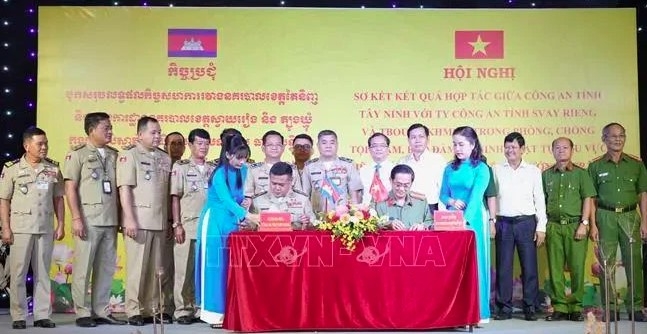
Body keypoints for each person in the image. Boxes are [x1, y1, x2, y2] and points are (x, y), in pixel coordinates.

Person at [63, 112, 126, 327]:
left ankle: (101, 309)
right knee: (83, 268)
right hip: (88, 220)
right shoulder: (77, 155)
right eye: (105, 128)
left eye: (110, 127)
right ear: (91, 130)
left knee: (106, 268)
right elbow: (70, 188)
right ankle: (82, 312)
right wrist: (76, 218)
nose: (110, 131)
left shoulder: (114, 155)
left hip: (110, 219)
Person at [0, 127, 65, 329]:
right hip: (20, 228)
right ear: (27, 146)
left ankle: (42, 315)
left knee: (43, 273)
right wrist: (6, 228)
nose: (44, 147)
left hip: (44, 228)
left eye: (46, 143)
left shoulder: (53, 168)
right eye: (40, 144)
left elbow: (58, 199)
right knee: (18, 274)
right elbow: (4, 200)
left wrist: (61, 223)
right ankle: (19, 316)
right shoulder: (11, 168)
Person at [195, 134, 260, 327]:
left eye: (245, 157)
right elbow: (226, 200)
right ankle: (214, 314)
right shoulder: (219, 174)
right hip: (214, 222)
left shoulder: (246, 170)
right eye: (238, 157)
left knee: (231, 268)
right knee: (214, 267)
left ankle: (232, 310)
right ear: (228, 154)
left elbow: (243, 196)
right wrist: (249, 217)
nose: (242, 161)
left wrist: (247, 209)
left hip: (233, 222)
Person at [587, 122, 647, 322]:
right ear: (604, 139)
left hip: (630, 216)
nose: (617, 139)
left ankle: (635, 306)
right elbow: (592, 199)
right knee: (607, 263)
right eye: (612, 136)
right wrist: (593, 225)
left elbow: (643, 195)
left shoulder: (636, 164)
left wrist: (645, 222)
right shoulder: (595, 166)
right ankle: (610, 307)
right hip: (606, 216)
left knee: (633, 262)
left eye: (621, 135)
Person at [117, 117, 172, 326]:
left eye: (159, 132)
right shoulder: (129, 155)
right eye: (152, 132)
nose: (157, 136)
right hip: (138, 221)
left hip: (159, 221)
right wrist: (129, 219)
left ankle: (151, 309)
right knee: (137, 269)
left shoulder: (164, 158)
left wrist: (168, 220)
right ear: (139, 134)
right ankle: (133, 310)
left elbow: (165, 193)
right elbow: (125, 189)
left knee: (157, 270)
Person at [492, 132, 547, 321]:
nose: (510, 151)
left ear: (523, 149)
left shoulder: (533, 171)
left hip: (526, 222)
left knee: (530, 266)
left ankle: (530, 306)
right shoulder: (496, 169)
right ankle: (504, 307)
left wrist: (541, 227)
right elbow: (491, 198)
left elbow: (539, 199)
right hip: (504, 223)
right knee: (504, 266)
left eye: (514, 147)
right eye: (507, 147)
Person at [439, 126, 491, 322]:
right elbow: (443, 194)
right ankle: (456, 311)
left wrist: (464, 221)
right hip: (452, 220)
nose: (457, 148)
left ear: (473, 144)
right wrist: (451, 202)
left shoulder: (482, 169)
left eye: (461, 144)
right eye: (454, 144)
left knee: (475, 264)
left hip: (473, 220)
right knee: (454, 265)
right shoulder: (449, 168)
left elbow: (476, 198)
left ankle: (479, 312)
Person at [542, 137, 596, 322]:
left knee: (577, 267)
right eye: (557, 148)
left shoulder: (581, 174)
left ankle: (576, 306)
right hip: (554, 226)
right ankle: (559, 307)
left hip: (575, 225)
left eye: (565, 147)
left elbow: (588, 199)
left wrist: (585, 223)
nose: (561, 151)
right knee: (555, 268)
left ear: (572, 150)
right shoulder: (546, 174)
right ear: (552, 151)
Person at [170, 129, 214, 324]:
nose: (203, 147)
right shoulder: (181, 167)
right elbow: (175, 198)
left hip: (208, 226)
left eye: (206, 144)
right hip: (187, 224)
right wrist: (177, 224)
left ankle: (200, 309)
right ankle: (182, 310)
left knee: (204, 269)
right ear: (190, 145)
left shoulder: (214, 169)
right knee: (184, 270)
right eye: (199, 143)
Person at [159, 131, 186, 322]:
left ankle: (183, 307)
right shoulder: (160, 166)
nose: (176, 147)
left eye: (180, 143)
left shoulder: (186, 167)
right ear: (165, 145)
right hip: (164, 225)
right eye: (173, 143)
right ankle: (165, 308)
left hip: (184, 226)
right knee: (165, 269)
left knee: (184, 270)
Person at [302, 130, 363, 213]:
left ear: (337, 145)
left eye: (332, 142)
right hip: (317, 218)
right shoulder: (309, 167)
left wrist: (355, 215)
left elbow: (355, 194)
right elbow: (304, 195)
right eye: (324, 143)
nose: (328, 146)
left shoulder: (348, 165)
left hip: (341, 219)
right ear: (318, 146)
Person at [245, 131, 301, 209]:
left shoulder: (293, 170)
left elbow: (298, 196)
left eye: (278, 145)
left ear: (283, 148)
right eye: (270, 145)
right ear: (263, 148)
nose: (274, 148)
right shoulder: (253, 170)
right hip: (261, 215)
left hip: (286, 215)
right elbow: (248, 196)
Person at [250, 162, 315, 230]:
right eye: (274, 183)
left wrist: (308, 223)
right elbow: (250, 227)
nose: (277, 188)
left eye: (281, 185)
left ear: (291, 181)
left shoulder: (302, 199)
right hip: (265, 239)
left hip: (293, 239)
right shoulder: (257, 200)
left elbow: (313, 224)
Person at [398, 123, 447, 212]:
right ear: (408, 140)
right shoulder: (402, 162)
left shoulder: (438, 160)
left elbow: (444, 189)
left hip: (431, 208)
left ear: (427, 139)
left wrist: (443, 213)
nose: (417, 140)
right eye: (413, 137)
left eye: (421, 136)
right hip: (407, 208)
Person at [372, 164, 431, 230]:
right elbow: (370, 223)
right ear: (391, 181)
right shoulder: (378, 201)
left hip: (415, 240)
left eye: (406, 185)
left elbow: (430, 222)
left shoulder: (420, 202)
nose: (401, 189)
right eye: (398, 185)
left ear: (411, 183)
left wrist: (423, 226)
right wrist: (388, 224)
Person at [359, 133, 394, 206]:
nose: (378, 149)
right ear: (369, 149)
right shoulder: (362, 171)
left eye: (382, 145)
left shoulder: (395, 169)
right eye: (374, 146)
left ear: (388, 148)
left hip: (390, 210)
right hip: (367, 213)